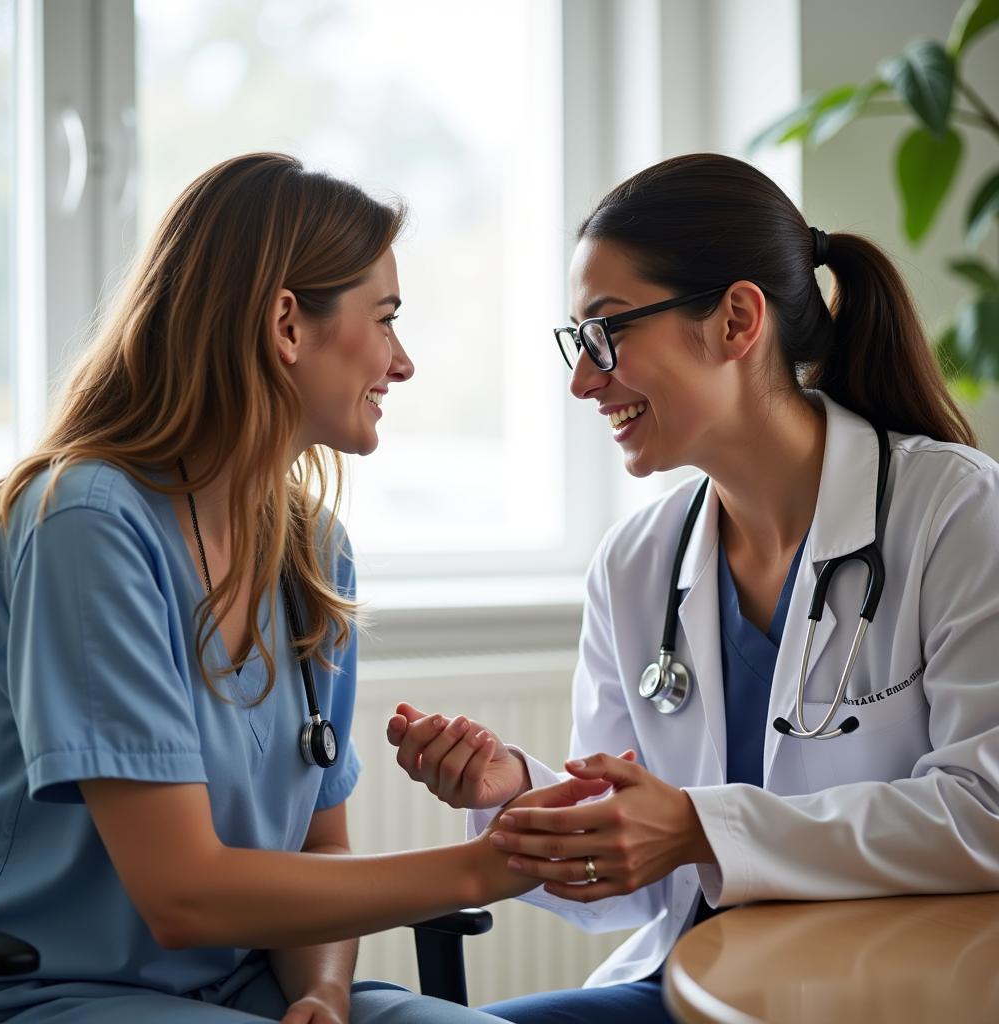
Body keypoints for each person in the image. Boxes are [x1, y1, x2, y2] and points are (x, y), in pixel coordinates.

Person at [0, 152, 592, 1024]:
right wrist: (491, 864)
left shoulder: (310, 551)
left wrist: (324, 991)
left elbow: (320, 847)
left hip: (252, 992)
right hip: (64, 995)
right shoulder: (83, 523)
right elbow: (181, 894)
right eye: (385, 320)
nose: (403, 362)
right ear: (287, 325)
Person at [387, 152, 999, 1022]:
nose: (581, 380)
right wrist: (518, 791)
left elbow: (988, 813)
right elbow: (635, 884)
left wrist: (701, 827)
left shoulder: (956, 513)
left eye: (608, 332)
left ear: (736, 320)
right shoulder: (637, 561)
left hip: (877, 993)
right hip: (687, 984)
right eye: (577, 340)